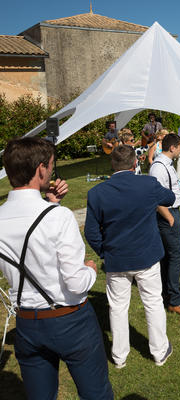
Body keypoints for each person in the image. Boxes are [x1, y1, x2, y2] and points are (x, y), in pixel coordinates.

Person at [0, 137, 113, 399]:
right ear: (41, 169)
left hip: (26, 323)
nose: (52, 171)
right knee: (96, 394)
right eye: (50, 166)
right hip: (70, 320)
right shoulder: (59, 217)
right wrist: (91, 269)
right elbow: (75, 282)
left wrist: (50, 201)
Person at [85, 146, 175, 370]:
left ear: (112, 165)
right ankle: (159, 351)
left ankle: (119, 356)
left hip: (117, 259)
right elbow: (171, 197)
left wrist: (104, 252)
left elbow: (91, 232)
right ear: (135, 163)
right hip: (146, 256)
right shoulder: (147, 184)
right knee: (153, 302)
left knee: (117, 307)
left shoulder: (97, 193)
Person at [149, 134, 180, 315]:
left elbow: (171, 186)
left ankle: (169, 292)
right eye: (179, 147)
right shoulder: (158, 168)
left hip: (173, 211)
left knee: (169, 256)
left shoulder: (168, 164)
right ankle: (175, 301)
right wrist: (169, 217)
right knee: (176, 255)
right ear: (172, 148)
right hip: (167, 215)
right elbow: (155, 197)